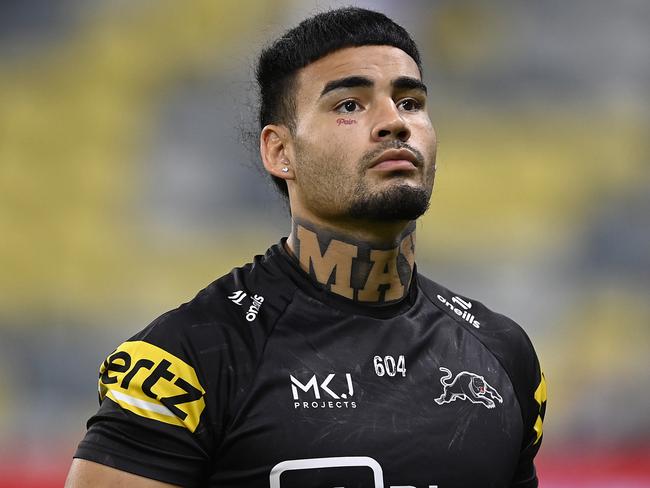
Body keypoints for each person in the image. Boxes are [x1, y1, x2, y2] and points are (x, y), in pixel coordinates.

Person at [66, 7, 546, 488]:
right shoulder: (190, 360)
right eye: (349, 105)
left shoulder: (503, 355)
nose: (394, 123)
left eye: (411, 102)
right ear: (280, 152)